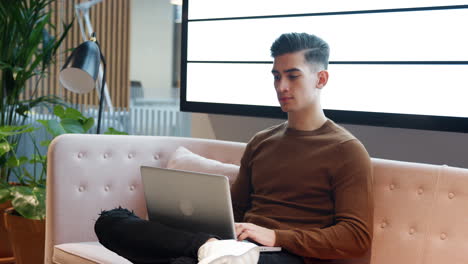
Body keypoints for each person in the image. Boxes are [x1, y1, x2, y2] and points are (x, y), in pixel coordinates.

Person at [94, 32, 373, 264]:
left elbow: (356, 236)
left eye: (293, 76)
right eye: (276, 76)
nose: (281, 86)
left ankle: (205, 250)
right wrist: (200, 228)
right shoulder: (262, 141)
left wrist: (276, 237)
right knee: (111, 221)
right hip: (235, 246)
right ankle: (206, 247)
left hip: (288, 255)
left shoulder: (345, 150)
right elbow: (236, 209)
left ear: (321, 79)